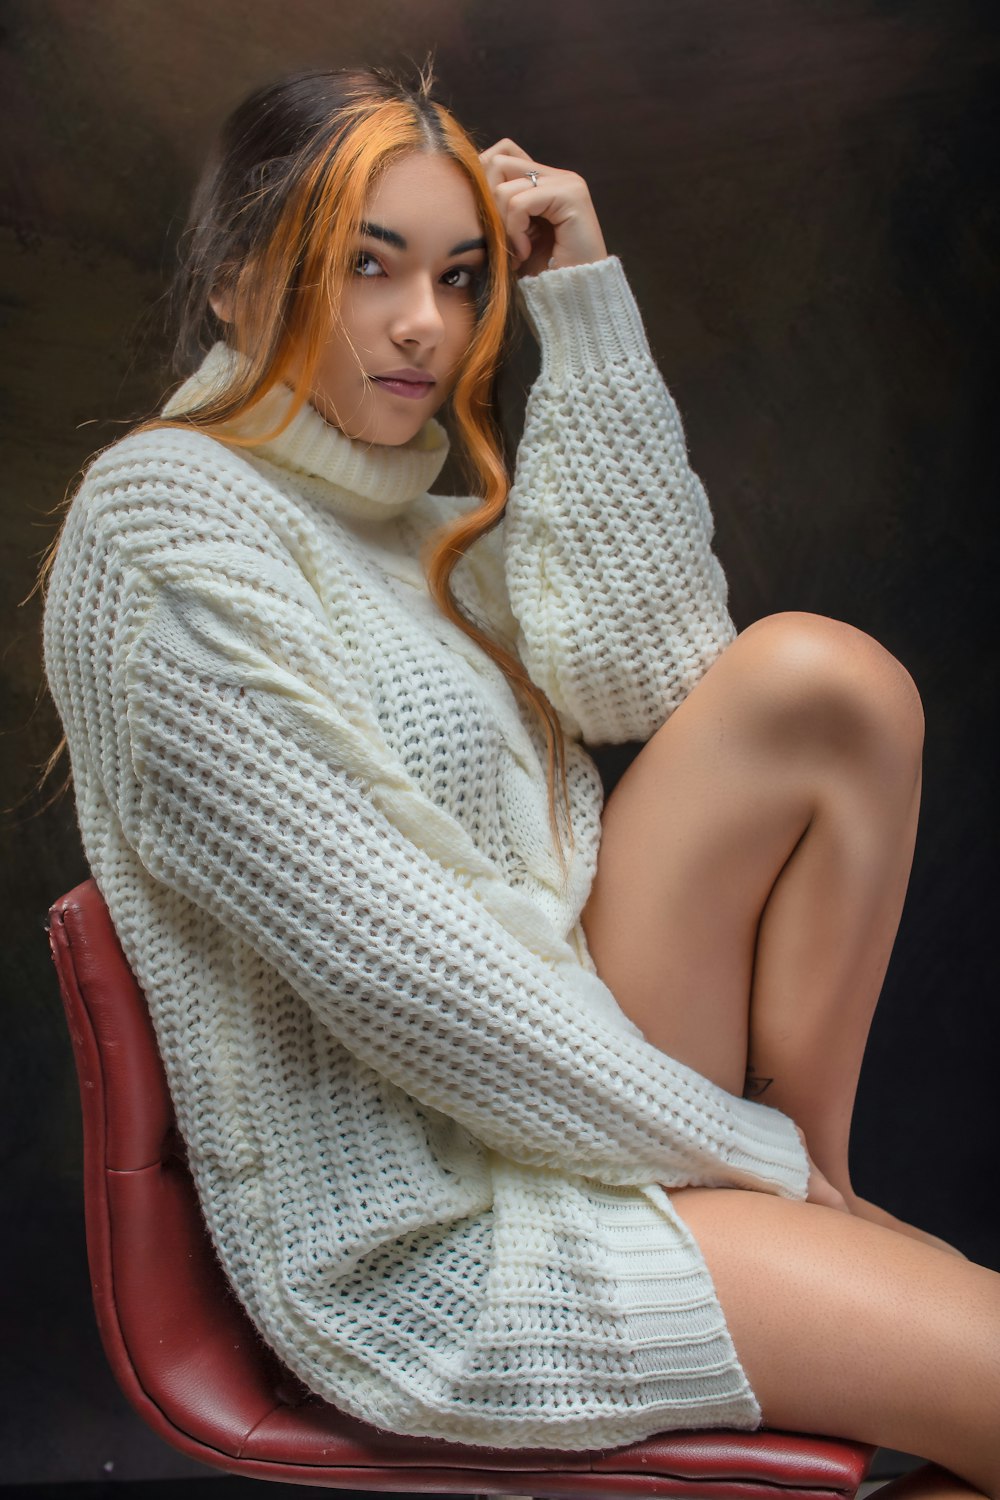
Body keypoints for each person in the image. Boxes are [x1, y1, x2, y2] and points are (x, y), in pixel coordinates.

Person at [41, 64, 999, 1495]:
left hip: (582, 1119)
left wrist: (588, 302)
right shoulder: (166, 526)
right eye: (366, 268)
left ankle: (814, 1214)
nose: (424, 323)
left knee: (821, 681)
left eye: (462, 276)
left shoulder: (436, 527)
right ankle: (810, 1216)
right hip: (444, 1243)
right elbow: (406, 975)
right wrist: (761, 1167)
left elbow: (657, 676)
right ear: (239, 283)